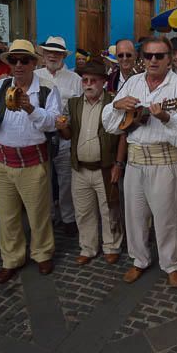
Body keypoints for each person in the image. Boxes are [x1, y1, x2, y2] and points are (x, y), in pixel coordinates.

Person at [102, 37, 177, 288]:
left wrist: (166, 117)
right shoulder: (132, 82)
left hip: (164, 160)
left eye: (159, 56)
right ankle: (139, 260)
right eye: (148, 56)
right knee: (134, 216)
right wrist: (117, 105)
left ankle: (171, 264)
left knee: (167, 217)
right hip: (134, 160)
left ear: (169, 58)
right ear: (142, 58)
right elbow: (110, 124)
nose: (153, 60)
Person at [0, 39, 61, 283]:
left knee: (39, 213)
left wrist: (30, 109)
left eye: (24, 60)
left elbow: (53, 123)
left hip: (33, 161)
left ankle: (42, 253)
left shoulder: (47, 89)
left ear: (34, 63)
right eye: (14, 60)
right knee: (7, 215)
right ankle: (11, 259)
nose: (18, 65)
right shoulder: (0, 87)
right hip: (2, 160)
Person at [57, 57, 124, 265]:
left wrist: (118, 164)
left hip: (104, 167)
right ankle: (88, 247)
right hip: (80, 168)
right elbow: (68, 136)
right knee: (83, 211)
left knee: (109, 209)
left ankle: (111, 245)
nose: (88, 84)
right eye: (84, 80)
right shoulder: (74, 104)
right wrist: (62, 128)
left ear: (103, 81)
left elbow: (123, 135)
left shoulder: (113, 103)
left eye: (93, 80)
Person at [35, 36, 82, 236]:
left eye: (57, 53)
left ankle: (69, 217)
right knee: (42, 180)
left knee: (66, 180)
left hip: (65, 136)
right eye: (49, 52)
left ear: (63, 55)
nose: (52, 56)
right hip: (39, 136)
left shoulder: (75, 79)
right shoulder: (34, 76)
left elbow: (79, 110)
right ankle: (48, 217)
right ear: (43, 55)